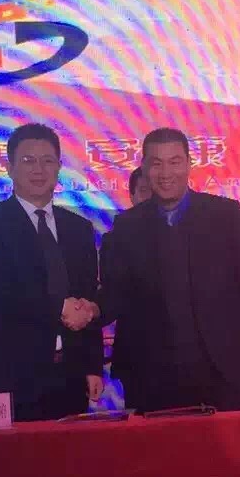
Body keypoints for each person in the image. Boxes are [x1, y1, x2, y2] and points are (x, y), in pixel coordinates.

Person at [95, 127, 240, 412]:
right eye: (156, 163)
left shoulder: (224, 215)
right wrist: (89, 310)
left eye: (175, 162)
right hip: (151, 377)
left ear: (189, 164)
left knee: (229, 443)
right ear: (144, 167)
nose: (166, 172)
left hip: (223, 369)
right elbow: (115, 294)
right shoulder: (127, 226)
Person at [0, 123, 103, 421]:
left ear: (59, 167)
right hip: (14, 375)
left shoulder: (79, 228)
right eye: (28, 160)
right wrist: (59, 308)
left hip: (70, 375)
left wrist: (93, 365)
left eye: (47, 160)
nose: (39, 169)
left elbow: (86, 296)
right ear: (9, 168)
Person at [102, 165, 152, 410]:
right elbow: (110, 295)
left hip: (188, 358)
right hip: (137, 355)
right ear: (132, 196)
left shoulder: (189, 235)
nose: (150, 197)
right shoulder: (114, 239)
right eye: (144, 191)